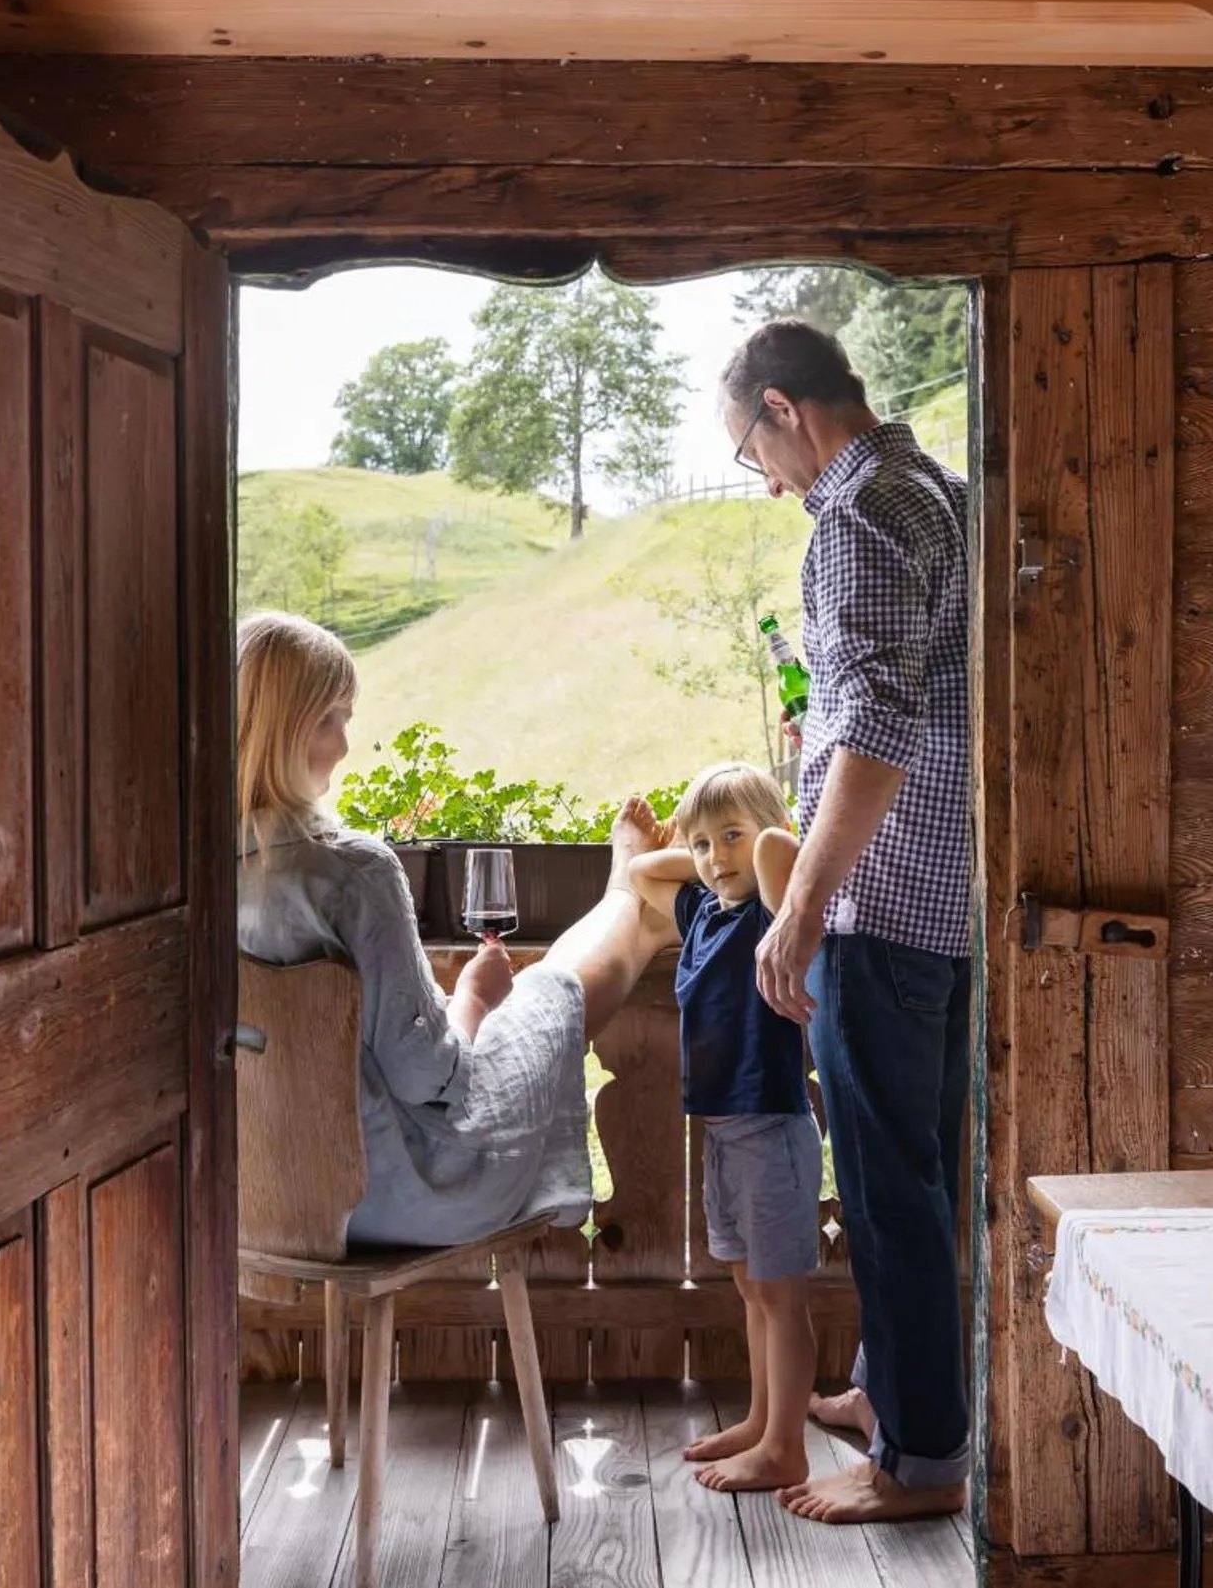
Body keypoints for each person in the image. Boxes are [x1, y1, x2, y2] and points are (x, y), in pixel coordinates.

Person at [720, 321, 973, 1524]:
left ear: (785, 410)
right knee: (916, 1168)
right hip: (949, 892)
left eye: (749, 451)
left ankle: (918, 1462)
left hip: (881, 898)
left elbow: (877, 725)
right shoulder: (942, 492)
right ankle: (889, 1392)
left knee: (884, 1185)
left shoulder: (858, 515)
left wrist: (801, 910)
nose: (763, 481)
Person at [233, 610, 679, 1247]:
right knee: (548, 993)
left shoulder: (198, 886)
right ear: (278, 729)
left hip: (260, 1199)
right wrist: (472, 998)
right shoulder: (354, 872)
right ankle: (628, 898)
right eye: (330, 719)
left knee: (540, 993)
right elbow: (426, 1074)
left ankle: (633, 909)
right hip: (403, 1191)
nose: (344, 745)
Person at [624, 763, 820, 1494]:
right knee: (749, 1287)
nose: (715, 857)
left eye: (729, 836)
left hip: (772, 1128)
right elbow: (645, 868)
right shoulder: (706, 910)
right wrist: (703, 851)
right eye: (703, 844)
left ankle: (785, 1446)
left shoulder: (777, 911)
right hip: (723, 1133)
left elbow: (778, 849)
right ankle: (760, 1419)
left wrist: (749, 840)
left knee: (781, 1295)